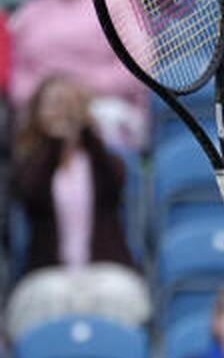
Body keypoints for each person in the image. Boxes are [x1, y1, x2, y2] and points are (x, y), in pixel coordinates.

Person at [4, 74, 150, 340]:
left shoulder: (101, 160)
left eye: (68, 104)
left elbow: (115, 183)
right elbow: (30, 192)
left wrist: (84, 132)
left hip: (104, 268)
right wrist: (56, 144)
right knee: (49, 296)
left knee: (116, 294)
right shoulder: (29, 164)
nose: (62, 112)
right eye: (53, 105)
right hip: (49, 272)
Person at [9, 0, 145, 146]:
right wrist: (46, 97)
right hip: (42, 112)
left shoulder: (116, 1)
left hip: (104, 107)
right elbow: (16, 76)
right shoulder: (30, 12)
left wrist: (85, 89)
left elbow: (139, 65)